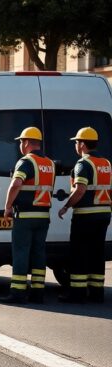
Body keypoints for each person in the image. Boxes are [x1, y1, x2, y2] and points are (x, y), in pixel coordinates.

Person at [2, 127, 55, 304]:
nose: (20, 145)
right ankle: (38, 292)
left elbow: (16, 184)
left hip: (25, 216)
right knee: (39, 253)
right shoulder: (49, 163)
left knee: (21, 253)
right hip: (43, 216)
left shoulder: (26, 162)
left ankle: (17, 292)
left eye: (20, 142)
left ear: (25, 143)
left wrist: (7, 206)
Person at [58, 127, 111, 303]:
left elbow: (80, 190)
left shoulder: (83, 164)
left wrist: (66, 206)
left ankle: (77, 293)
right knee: (97, 253)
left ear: (82, 144)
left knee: (79, 253)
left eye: (76, 142)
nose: (75, 145)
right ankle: (96, 293)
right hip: (103, 215)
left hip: (85, 216)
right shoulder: (106, 164)